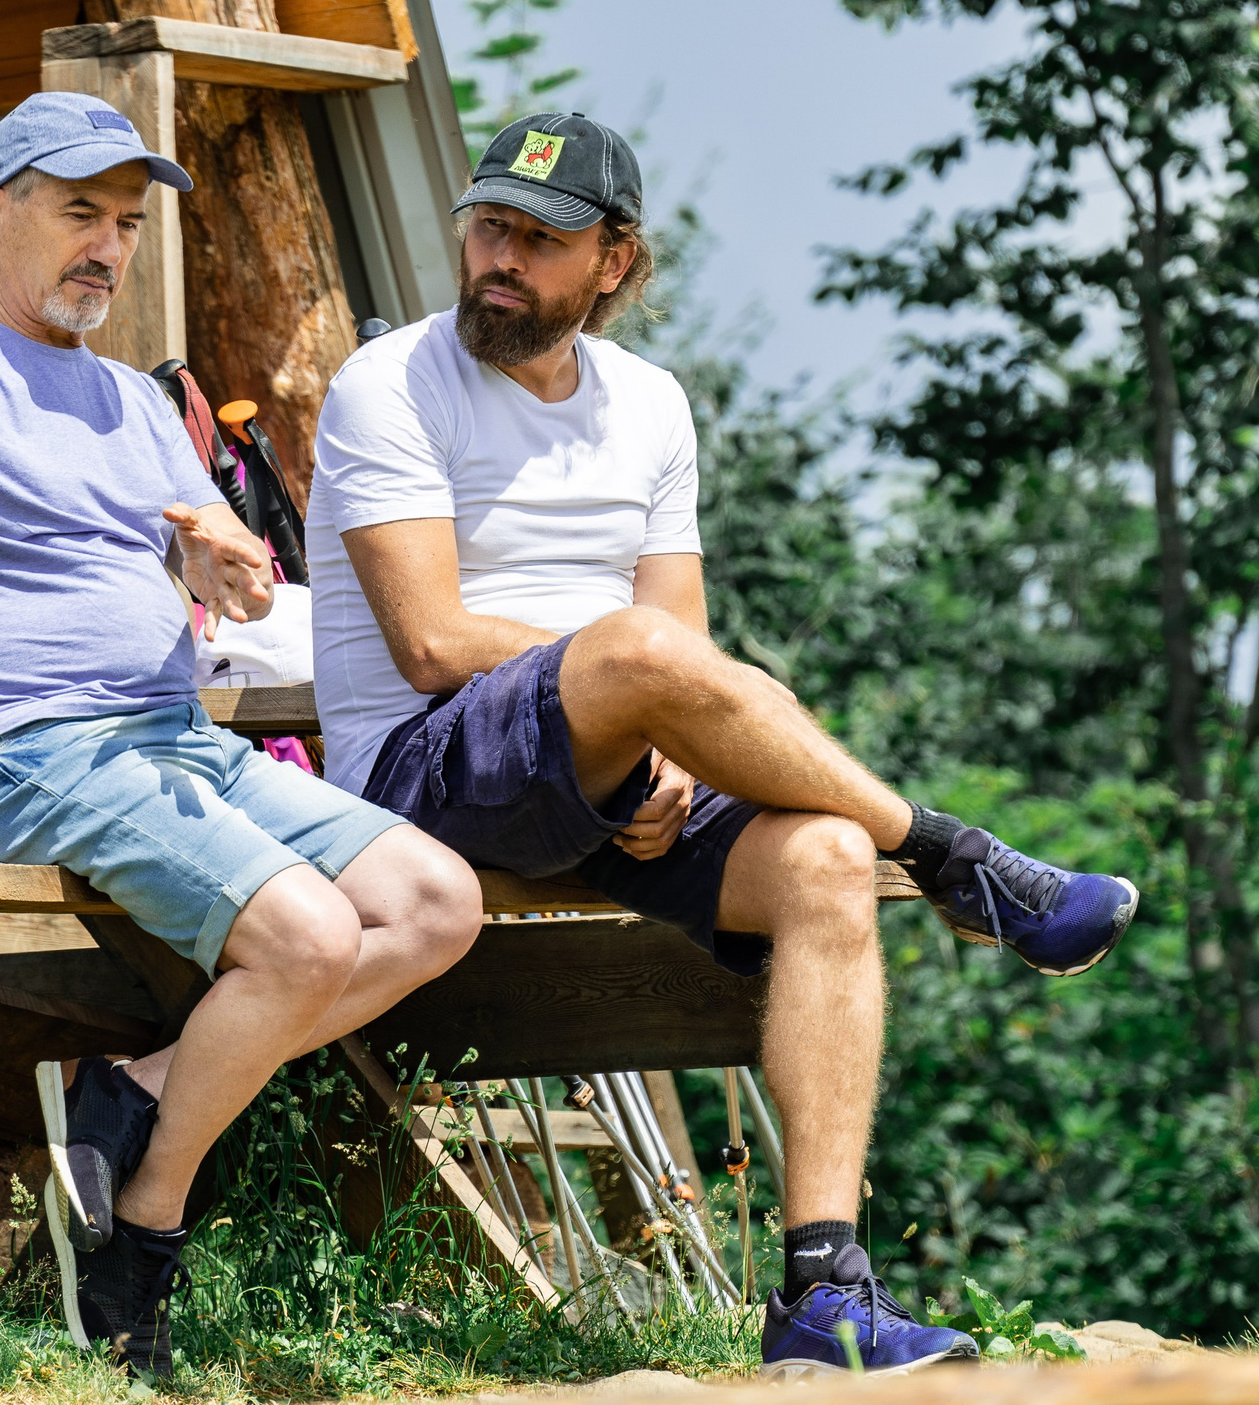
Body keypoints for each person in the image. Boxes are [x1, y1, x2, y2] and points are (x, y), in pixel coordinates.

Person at [308, 111, 1140, 1376]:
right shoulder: (392, 383)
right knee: (635, 651)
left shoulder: (649, 404)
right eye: (487, 226)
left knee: (817, 863)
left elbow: (682, 647)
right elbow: (429, 642)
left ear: (616, 264)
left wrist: (669, 764)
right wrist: (629, 684)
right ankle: (954, 856)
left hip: (599, 770)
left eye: (539, 239)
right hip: (421, 782)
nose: (498, 257)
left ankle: (821, 1292)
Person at [0, 93, 483, 1376]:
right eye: (78, 214)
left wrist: (211, 547)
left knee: (434, 902)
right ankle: (145, 1226)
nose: (106, 247)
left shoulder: (128, 394)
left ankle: (127, 1096)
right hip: (27, 748)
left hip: (174, 738)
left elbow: (181, 525)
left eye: (124, 222)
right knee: (309, 937)